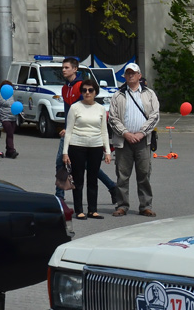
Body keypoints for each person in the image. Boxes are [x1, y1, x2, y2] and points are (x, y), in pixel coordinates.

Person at [57, 58, 119, 205]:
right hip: (71, 131)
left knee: (79, 164)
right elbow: (69, 111)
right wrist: (66, 127)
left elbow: (85, 109)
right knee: (68, 162)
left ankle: (59, 197)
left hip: (82, 134)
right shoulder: (65, 88)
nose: (63, 70)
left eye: (66, 67)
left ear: (74, 69)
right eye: (63, 67)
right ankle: (112, 187)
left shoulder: (81, 87)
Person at [108, 63, 160, 217]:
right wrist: (126, 133)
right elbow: (113, 118)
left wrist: (141, 133)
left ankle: (145, 206)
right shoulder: (118, 95)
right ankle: (122, 205)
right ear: (124, 76)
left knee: (144, 174)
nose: (130, 75)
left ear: (139, 75)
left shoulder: (149, 94)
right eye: (128, 73)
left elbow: (155, 116)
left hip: (143, 140)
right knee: (122, 175)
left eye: (133, 73)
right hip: (123, 141)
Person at [62, 77, 112, 219]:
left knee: (93, 178)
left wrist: (107, 151)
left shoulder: (101, 109)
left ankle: (92, 210)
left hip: (95, 146)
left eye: (90, 90)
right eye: (84, 90)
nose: (87, 93)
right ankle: (79, 210)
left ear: (95, 92)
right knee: (78, 179)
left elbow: (104, 131)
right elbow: (69, 131)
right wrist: (65, 152)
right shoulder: (75, 107)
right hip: (77, 146)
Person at [0, 79, 19, 158]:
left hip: (13, 118)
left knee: (10, 135)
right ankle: (11, 150)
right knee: (10, 133)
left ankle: (8, 151)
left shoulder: (12, 95)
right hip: (5, 118)